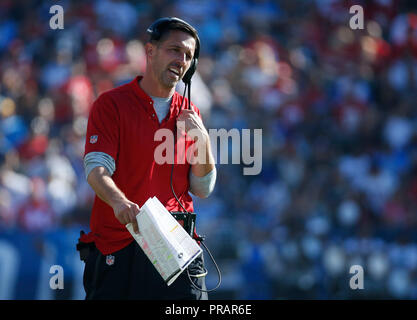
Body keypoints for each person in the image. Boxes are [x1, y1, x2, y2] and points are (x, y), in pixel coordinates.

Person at [78, 17, 216, 300]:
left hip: (173, 246)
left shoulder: (191, 114)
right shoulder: (111, 104)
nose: (182, 59)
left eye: (188, 55)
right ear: (150, 52)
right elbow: (96, 168)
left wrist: (203, 141)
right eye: (174, 50)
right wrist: (118, 201)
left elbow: (203, 188)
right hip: (118, 242)